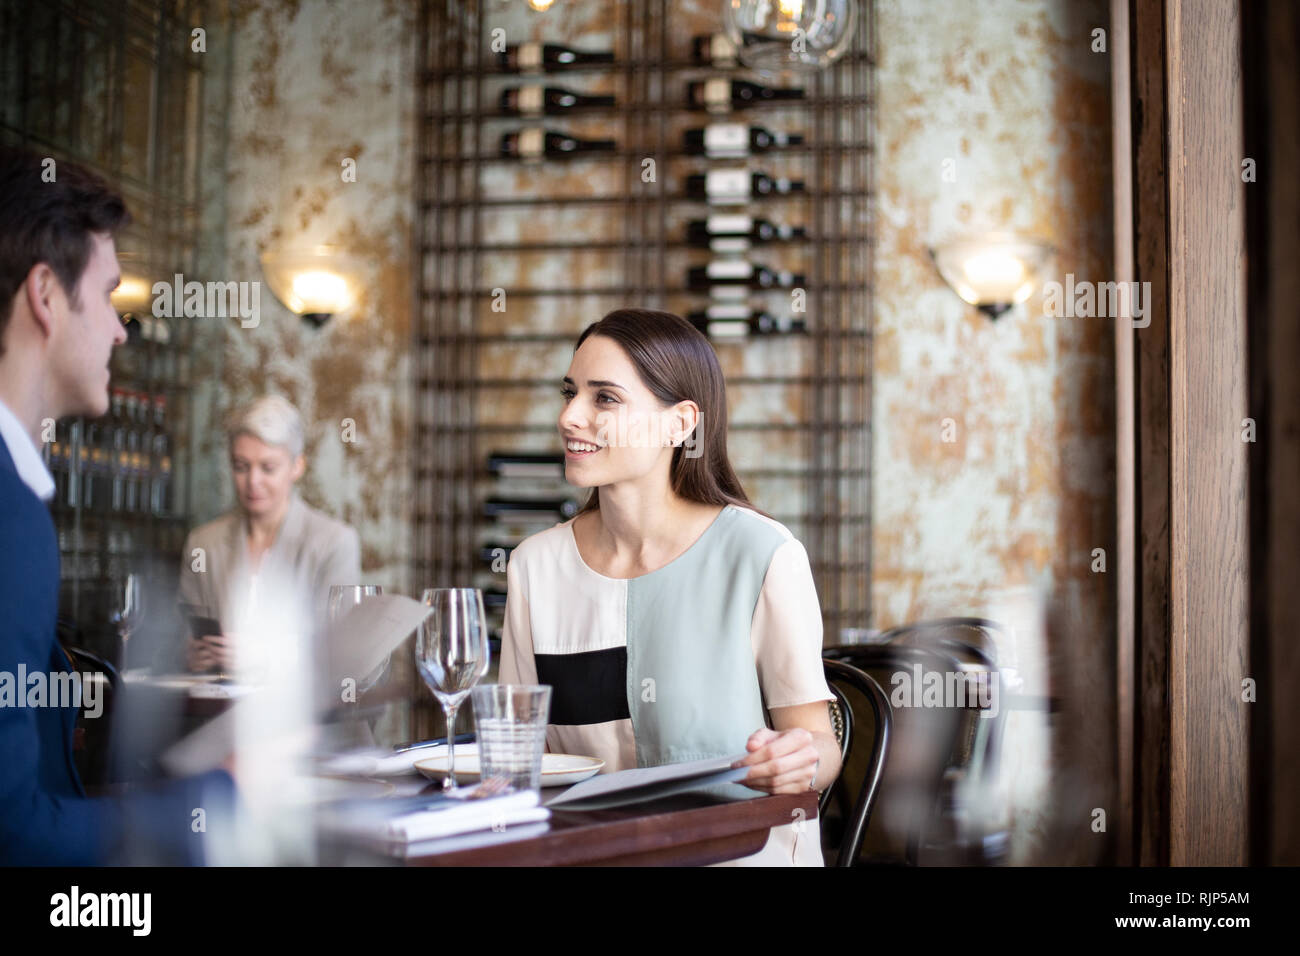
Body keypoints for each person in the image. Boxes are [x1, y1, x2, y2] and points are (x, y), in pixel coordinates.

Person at [500, 308, 842, 866]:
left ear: (681, 423)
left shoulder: (762, 554)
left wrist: (795, 760)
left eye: (604, 398)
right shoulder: (534, 567)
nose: (569, 416)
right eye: (570, 392)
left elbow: (820, 746)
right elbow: (520, 752)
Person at [0, 144, 234, 864]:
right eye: (107, 294)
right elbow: (15, 833)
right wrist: (221, 799)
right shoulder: (10, 521)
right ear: (45, 295)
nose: (119, 328)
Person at [178, 394, 361, 676]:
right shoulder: (203, 543)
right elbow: (177, 634)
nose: (253, 481)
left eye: (268, 468)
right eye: (241, 466)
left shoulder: (334, 543)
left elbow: (342, 651)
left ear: (297, 466)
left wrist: (264, 657)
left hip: (300, 715)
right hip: (213, 710)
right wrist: (187, 654)